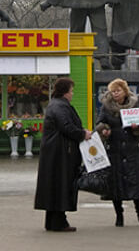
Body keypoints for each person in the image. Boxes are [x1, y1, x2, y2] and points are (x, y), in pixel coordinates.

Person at [33, 77, 92, 232]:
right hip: (61, 153)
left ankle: (52, 221)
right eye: (71, 91)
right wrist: (82, 134)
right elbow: (66, 126)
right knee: (61, 185)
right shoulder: (60, 106)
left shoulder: (55, 104)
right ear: (65, 92)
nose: (72, 94)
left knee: (54, 186)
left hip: (55, 152)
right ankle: (59, 222)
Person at [96, 78, 139, 227]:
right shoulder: (106, 106)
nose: (115, 94)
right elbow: (100, 122)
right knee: (116, 185)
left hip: (132, 149)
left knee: (136, 184)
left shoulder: (135, 104)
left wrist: (137, 126)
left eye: (118, 91)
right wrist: (104, 130)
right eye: (113, 91)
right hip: (115, 149)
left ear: (125, 90)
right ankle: (119, 216)